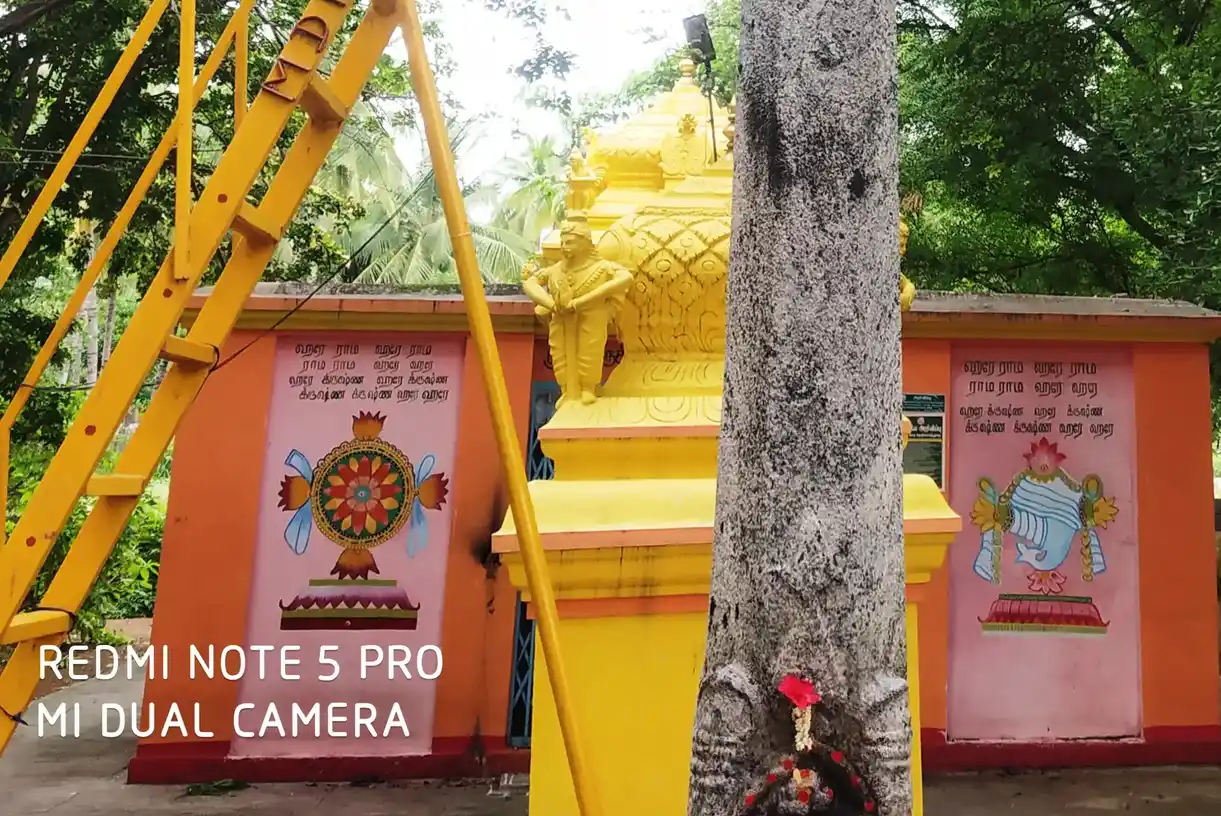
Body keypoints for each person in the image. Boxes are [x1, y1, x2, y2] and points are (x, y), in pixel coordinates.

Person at [522, 212, 633, 406]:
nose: (565, 247)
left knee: (590, 351)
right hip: (561, 320)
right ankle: (567, 390)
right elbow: (529, 283)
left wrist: (584, 301)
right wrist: (549, 303)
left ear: (585, 243)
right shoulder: (555, 269)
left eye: (570, 242)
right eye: (563, 242)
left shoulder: (601, 267)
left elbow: (626, 278)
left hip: (591, 319)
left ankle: (587, 388)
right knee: (560, 354)